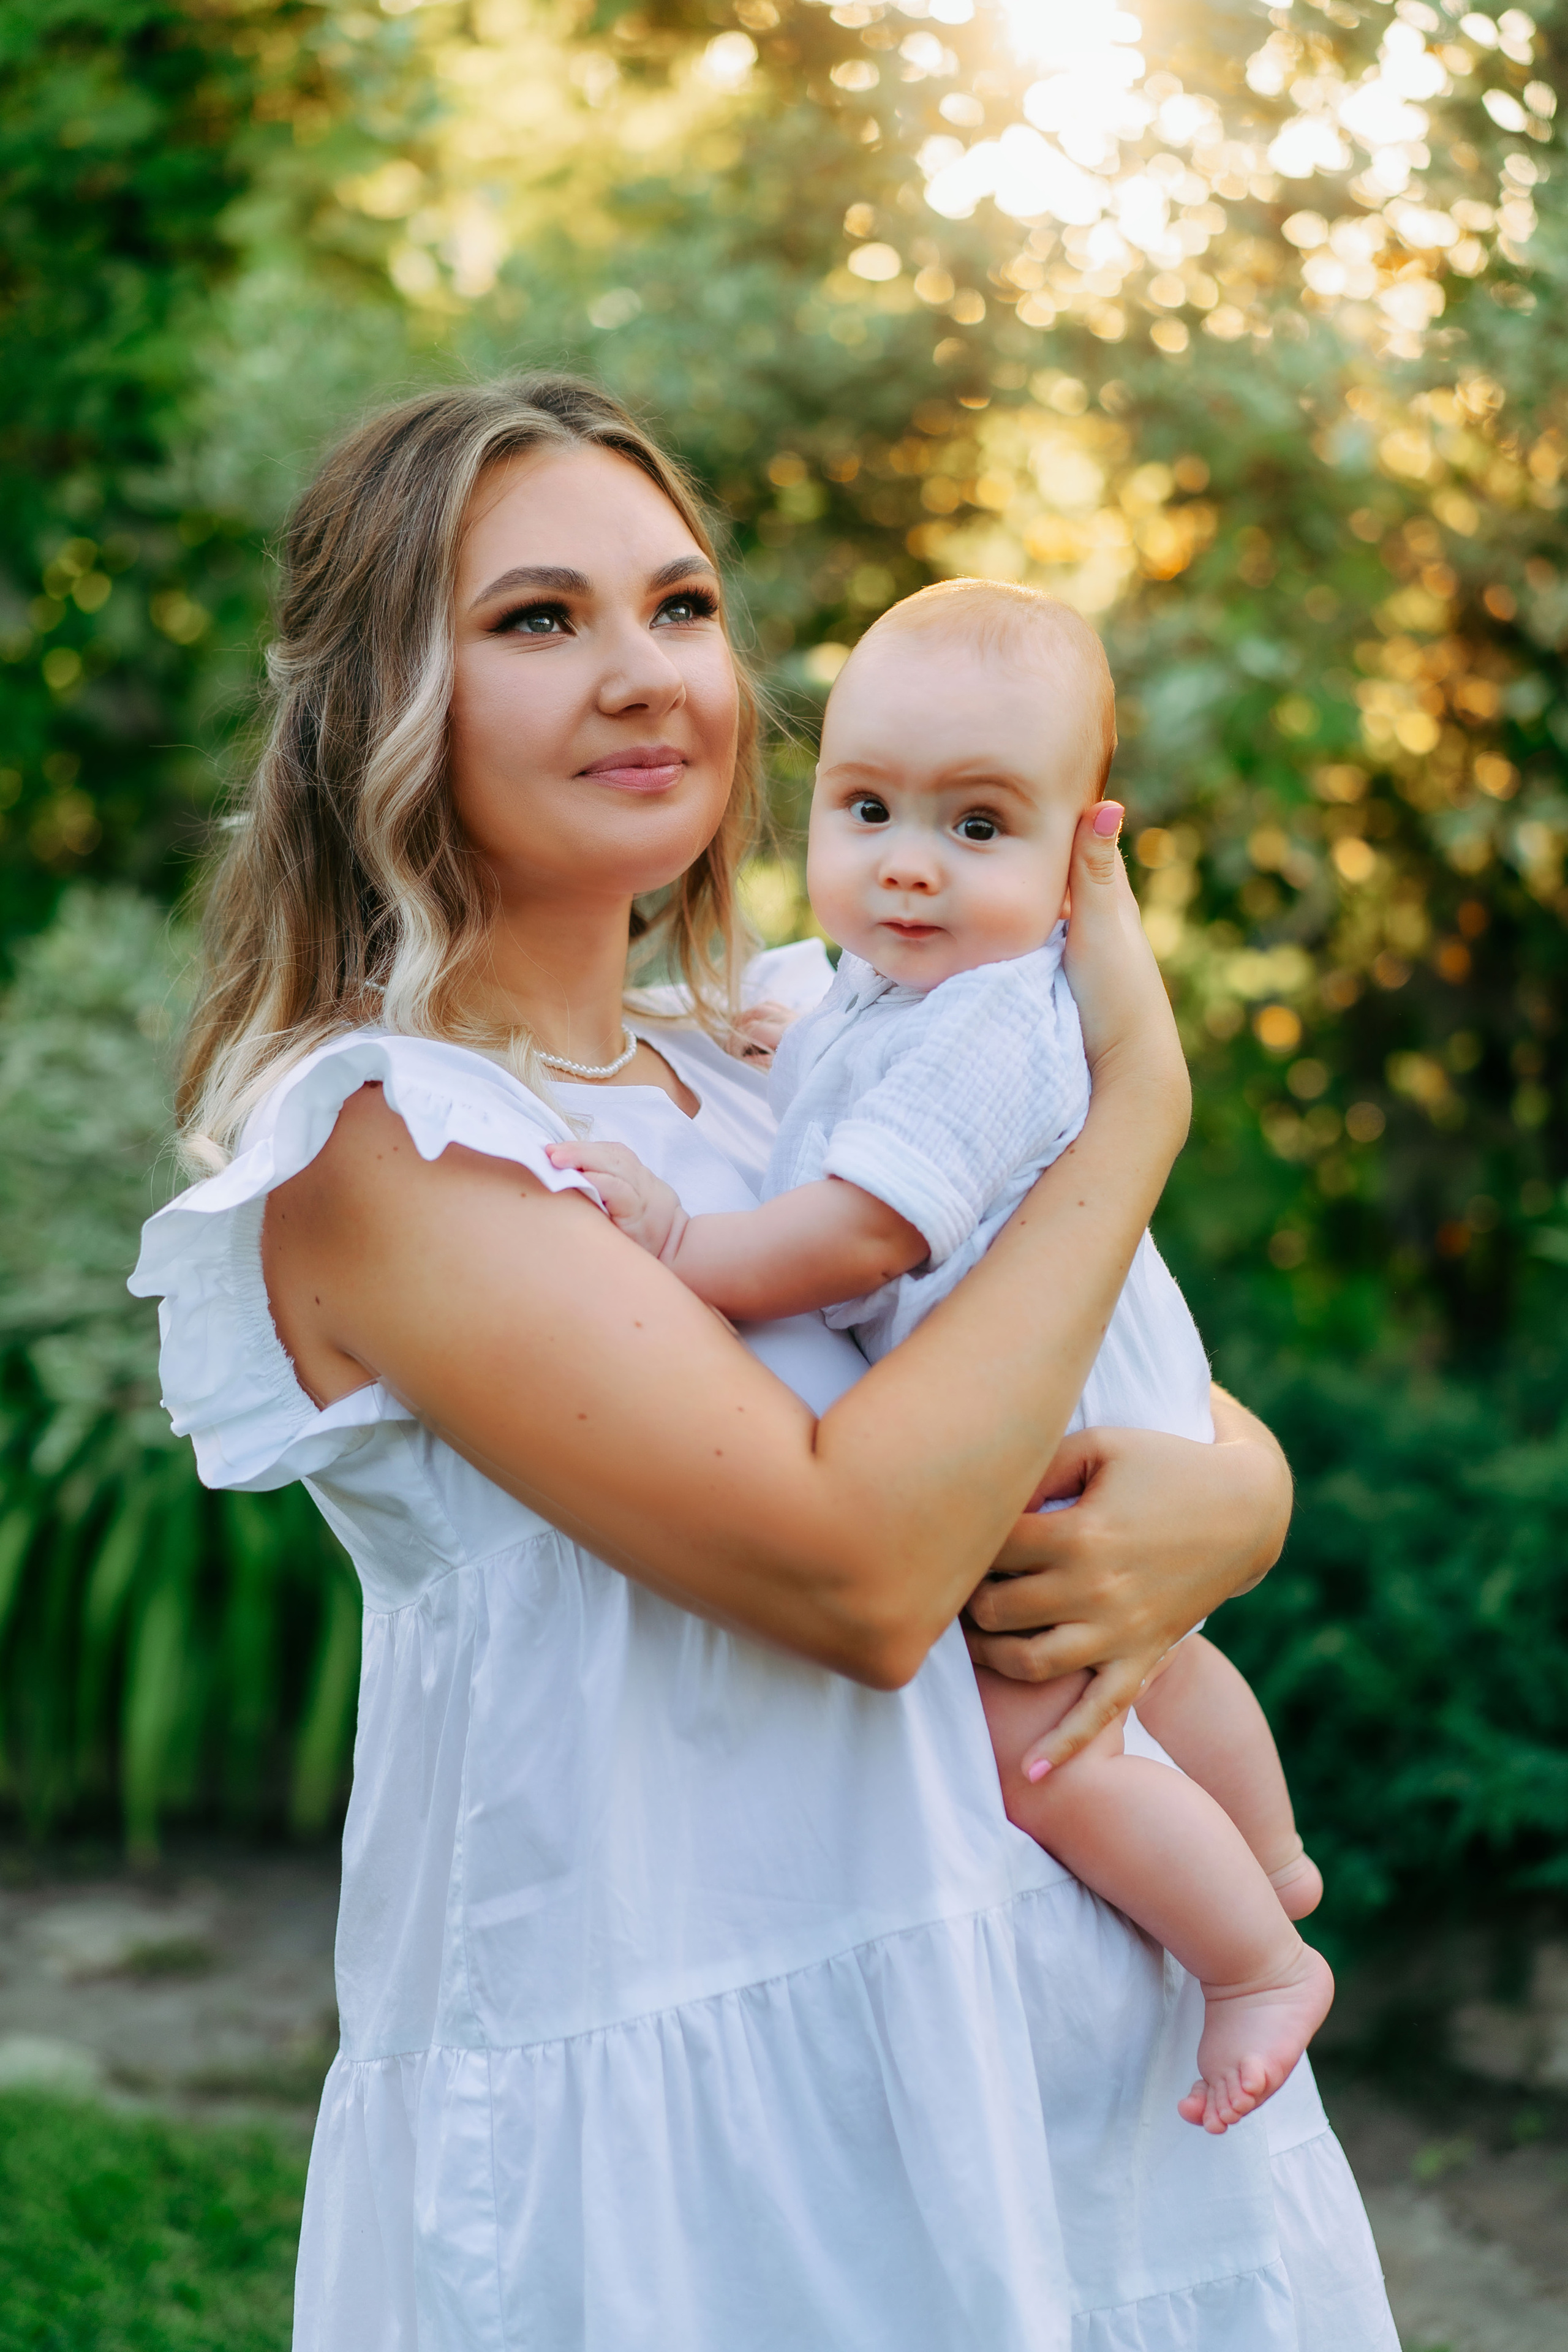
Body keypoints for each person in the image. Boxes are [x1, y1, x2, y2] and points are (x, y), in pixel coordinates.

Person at [129, 375, 1396, 2350]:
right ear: (384, 700)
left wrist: (1241, 1499)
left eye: (684, 607)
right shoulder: (397, 1142)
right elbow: (866, 1571)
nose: (644, 673)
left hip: (1058, 2042)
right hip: (704, 2112)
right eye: (538, 619)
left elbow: (1123, 1400)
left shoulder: (788, 1048)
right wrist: (1142, 1100)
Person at [546, 578, 1331, 2139]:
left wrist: (680, 1244)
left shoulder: (989, 1021)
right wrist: (789, 1045)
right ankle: (1269, 1852)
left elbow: (858, 1237)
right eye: (867, 810)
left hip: (1039, 1424)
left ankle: (1255, 1959)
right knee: (1160, 1661)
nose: (908, 862)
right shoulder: (872, 988)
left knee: (1042, 1741)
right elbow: (842, 1066)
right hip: (1088, 1398)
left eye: (976, 827)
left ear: (1078, 866)